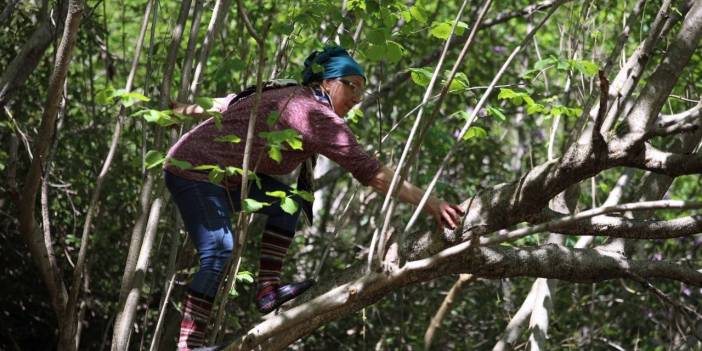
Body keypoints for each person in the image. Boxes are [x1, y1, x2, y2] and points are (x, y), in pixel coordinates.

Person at [163, 46, 464, 350]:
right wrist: (431, 203)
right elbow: (372, 172)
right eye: (352, 85)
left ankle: (268, 290)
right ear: (327, 82)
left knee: (287, 203)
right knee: (218, 250)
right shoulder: (314, 112)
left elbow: (226, 103)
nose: (358, 97)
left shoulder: (287, 92)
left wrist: (180, 110)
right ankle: (189, 346)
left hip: (224, 176)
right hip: (194, 170)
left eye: (362, 89)